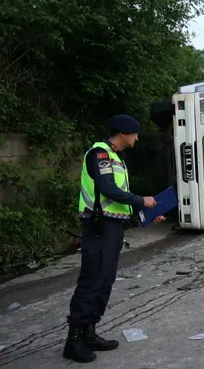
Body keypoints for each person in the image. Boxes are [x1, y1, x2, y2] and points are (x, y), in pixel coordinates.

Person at [64, 115, 164, 363]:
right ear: (122, 133)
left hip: (112, 227)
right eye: (135, 133)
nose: (137, 138)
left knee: (104, 281)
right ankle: (73, 341)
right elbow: (109, 190)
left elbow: (114, 201)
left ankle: (89, 332)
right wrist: (142, 200)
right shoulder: (100, 154)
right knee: (91, 281)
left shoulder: (116, 158)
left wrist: (144, 216)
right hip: (98, 228)